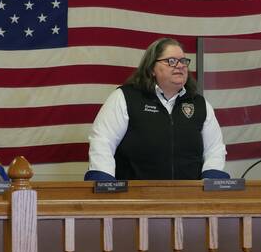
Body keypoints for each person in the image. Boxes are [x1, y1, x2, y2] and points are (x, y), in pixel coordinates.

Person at [85, 37, 228, 180]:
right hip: (135, 197)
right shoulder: (124, 98)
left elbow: (214, 149)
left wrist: (211, 182)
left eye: (183, 61)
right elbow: (103, 141)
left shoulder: (200, 104)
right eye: (171, 61)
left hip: (188, 197)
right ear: (152, 68)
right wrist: (105, 184)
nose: (180, 66)